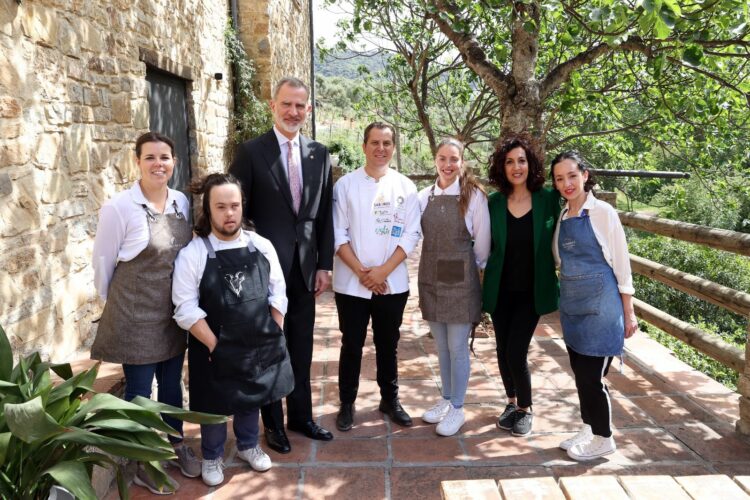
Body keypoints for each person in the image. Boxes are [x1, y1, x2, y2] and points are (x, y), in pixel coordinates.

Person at [228, 76, 334, 453]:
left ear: (308, 110)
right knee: (270, 346)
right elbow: (235, 210)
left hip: (305, 270)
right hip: (263, 271)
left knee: (301, 347)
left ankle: (301, 417)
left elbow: (323, 217)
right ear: (273, 106)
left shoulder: (319, 154)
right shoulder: (251, 152)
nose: (293, 111)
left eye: (300, 106)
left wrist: (324, 264)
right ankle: (272, 425)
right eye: (286, 104)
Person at [91, 131, 199, 494]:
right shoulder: (119, 207)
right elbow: (103, 263)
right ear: (137, 161)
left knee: (172, 385)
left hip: (171, 313)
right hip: (134, 313)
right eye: (150, 157)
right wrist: (118, 309)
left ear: (174, 162)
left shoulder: (181, 202)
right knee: (139, 389)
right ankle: (140, 462)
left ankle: (174, 445)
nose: (158, 164)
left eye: (164, 157)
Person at [172, 173, 294, 486]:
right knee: (214, 401)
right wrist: (216, 346)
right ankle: (211, 457)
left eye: (235, 205)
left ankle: (248, 446)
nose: (229, 213)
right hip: (213, 343)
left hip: (257, 340)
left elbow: (277, 292)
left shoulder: (260, 245)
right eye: (221, 206)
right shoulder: (194, 254)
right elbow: (185, 309)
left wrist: (274, 333)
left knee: (251, 394)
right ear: (208, 210)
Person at [333, 122, 421, 432]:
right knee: (351, 344)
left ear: (393, 147)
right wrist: (362, 272)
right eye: (374, 142)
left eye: (386, 142)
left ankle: (390, 399)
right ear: (364, 146)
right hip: (351, 284)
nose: (380, 148)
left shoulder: (406, 187)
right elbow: (338, 234)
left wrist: (383, 271)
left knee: (388, 344)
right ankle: (346, 402)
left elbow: (411, 235)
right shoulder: (345, 185)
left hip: (392, 282)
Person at [550, 151, 637, 461]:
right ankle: (590, 427)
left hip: (601, 309)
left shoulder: (603, 213)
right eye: (560, 179)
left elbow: (622, 264)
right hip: (573, 308)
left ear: (585, 175)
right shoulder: (562, 216)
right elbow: (560, 261)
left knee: (591, 377)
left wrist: (629, 312)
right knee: (580, 374)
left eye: (572, 176)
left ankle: (604, 438)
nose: (567, 183)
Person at [482, 135, 561, 438]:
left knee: (516, 351)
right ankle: (511, 403)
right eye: (510, 161)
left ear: (531, 164)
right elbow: (483, 243)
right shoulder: (494, 203)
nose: (517, 167)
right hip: (501, 289)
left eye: (522, 160)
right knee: (502, 350)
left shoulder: (548, 199)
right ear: (503, 167)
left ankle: (526, 408)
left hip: (532, 289)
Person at [417, 138, 490, 436]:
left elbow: (483, 245)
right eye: (443, 158)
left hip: (459, 279)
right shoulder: (424, 196)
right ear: (435, 160)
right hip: (430, 277)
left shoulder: (474, 196)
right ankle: (445, 399)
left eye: (454, 159)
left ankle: (458, 408)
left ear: (462, 162)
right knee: (441, 347)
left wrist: (463, 267)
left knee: (457, 346)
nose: (448, 165)